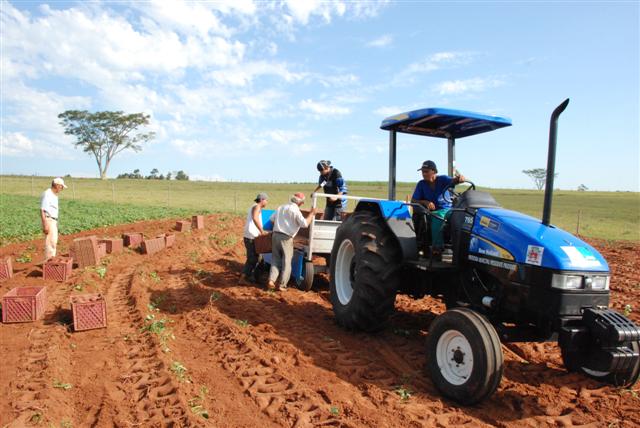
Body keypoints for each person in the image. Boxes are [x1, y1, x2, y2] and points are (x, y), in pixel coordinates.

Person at [411, 160, 466, 252]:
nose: (424, 174)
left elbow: (453, 181)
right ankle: (437, 248)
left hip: (447, 209)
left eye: (426, 171)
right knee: (438, 217)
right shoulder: (421, 184)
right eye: (422, 172)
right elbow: (414, 200)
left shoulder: (442, 179)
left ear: (434, 171)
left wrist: (459, 179)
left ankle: (461, 247)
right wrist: (425, 202)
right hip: (432, 212)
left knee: (463, 216)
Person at [268, 193, 316, 291]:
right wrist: (311, 214)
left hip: (275, 235)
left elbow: (271, 219)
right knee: (286, 262)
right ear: (301, 202)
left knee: (275, 260)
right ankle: (282, 285)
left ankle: (271, 280)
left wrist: (280, 224)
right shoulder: (295, 210)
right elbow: (305, 224)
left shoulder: (281, 207)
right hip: (286, 238)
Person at [242, 192, 269, 284]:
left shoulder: (254, 206)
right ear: (262, 200)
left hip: (250, 235)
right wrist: (261, 231)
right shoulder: (257, 207)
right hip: (250, 236)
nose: (267, 202)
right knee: (252, 259)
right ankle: (243, 278)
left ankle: (251, 276)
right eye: (266, 200)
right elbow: (255, 218)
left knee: (257, 258)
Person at [40, 177, 67, 260]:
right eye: (61, 186)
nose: (62, 189)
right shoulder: (48, 194)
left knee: (53, 242)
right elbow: (42, 210)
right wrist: (45, 224)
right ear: (57, 185)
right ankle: (49, 263)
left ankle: (51, 261)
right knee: (50, 243)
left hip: (53, 221)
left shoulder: (54, 195)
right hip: (49, 220)